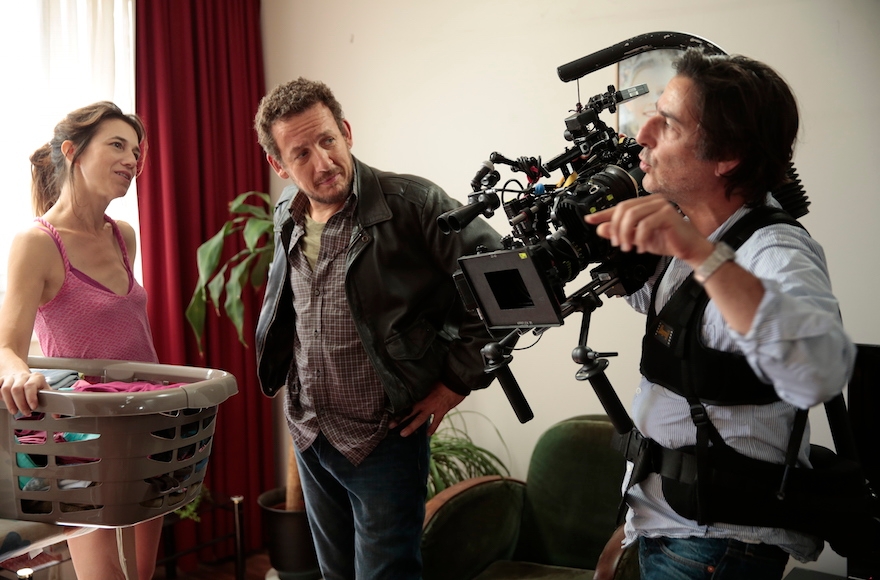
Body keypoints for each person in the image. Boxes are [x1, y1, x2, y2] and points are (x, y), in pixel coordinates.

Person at [584, 49, 856, 579]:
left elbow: (818, 370)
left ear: (725, 154)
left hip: (719, 545)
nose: (644, 133)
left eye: (669, 123)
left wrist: (696, 252)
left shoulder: (775, 251)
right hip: (670, 521)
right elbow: (676, 318)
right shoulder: (692, 237)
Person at [253, 78, 500, 579]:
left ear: (345, 131)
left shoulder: (414, 204)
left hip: (384, 437)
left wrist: (456, 381)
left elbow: (508, 292)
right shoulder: (287, 210)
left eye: (327, 140)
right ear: (280, 165)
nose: (322, 163)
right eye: (300, 153)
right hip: (310, 432)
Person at [0, 102, 163, 580]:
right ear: (72, 152)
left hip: (148, 425)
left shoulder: (124, 237)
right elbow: (6, 346)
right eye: (117, 144)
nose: (133, 159)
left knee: (143, 575)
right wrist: (17, 372)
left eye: (136, 150)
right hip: (83, 441)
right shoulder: (38, 243)